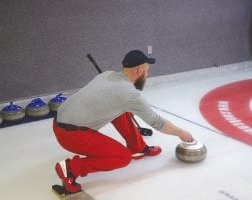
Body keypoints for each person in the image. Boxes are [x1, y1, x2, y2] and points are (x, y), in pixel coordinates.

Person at [52, 50, 194, 193]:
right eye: (147, 70)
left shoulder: (107, 74)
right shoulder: (129, 94)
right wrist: (181, 133)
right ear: (139, 71)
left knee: (121, 110)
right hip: (71, 135)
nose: (148, 74)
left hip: (60, 120)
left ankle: (137, 147)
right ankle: (70, 168)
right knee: (122, 157)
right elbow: (156, 121)